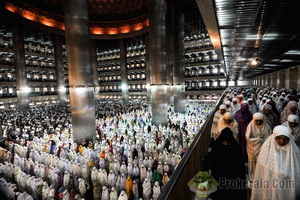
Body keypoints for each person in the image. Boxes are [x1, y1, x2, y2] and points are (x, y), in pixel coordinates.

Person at [251, 125, 300, 200]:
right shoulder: (267, 147)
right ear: (274, 138)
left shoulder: (293, 150)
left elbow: (296, 168)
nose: (282, 141)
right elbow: (262, 165)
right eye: (279, 138)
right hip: (271, 180)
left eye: (285, 139)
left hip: (288, 182)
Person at [204, 128, 246, 200]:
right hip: (219, 179)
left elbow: (241, 168)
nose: (226, 144)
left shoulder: (236, 149)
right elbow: (210, 161)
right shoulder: (216, 147)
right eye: (224, 143)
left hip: (232, 181)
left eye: (228, 143)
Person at [245, 113, 271, 180]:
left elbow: (269, 138)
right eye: (257, 121)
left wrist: (262, 142)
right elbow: (248, 137)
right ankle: (252, 177)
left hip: (263, 149)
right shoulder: (250, 126)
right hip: (252, 149)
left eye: (260, 121)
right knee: (252, 164)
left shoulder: (267, 127)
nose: (258, 122)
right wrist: (258, 140)